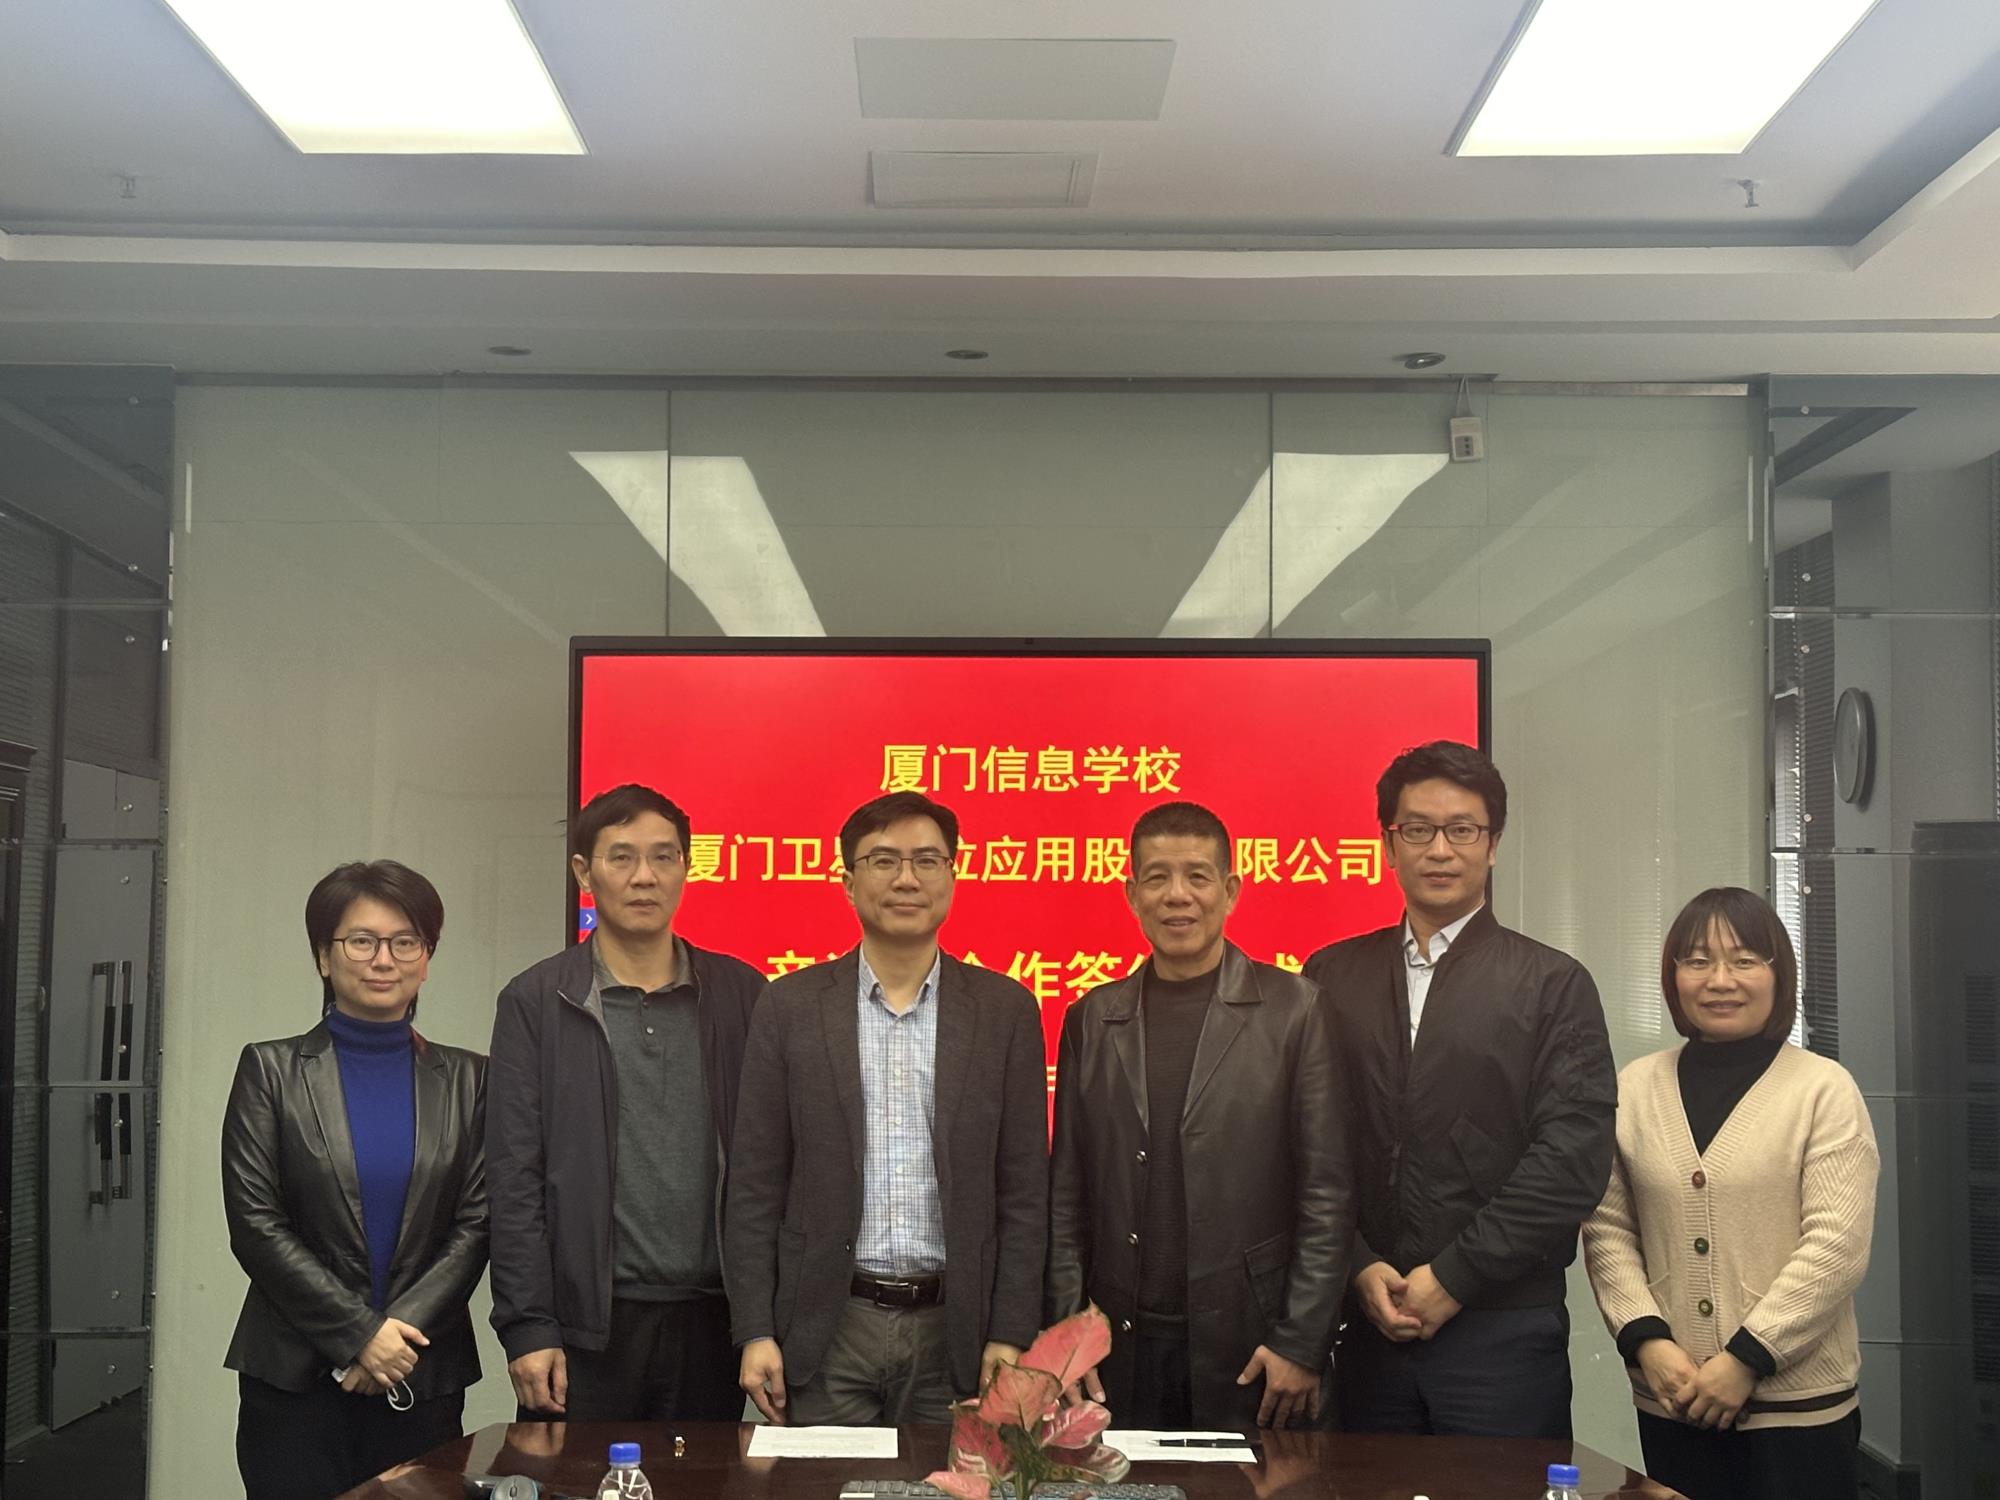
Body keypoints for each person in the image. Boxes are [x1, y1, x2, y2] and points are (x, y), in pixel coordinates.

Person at [1304, 740, 1616, 1439]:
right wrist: (1357, 1266)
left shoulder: (1552, 984)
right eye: (1418, 829)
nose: (1440, 850)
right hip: (1367, 1326)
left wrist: (1455, 1276)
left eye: (1462, 830)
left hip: (1503, 1330)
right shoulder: (1330, 976)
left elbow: (1572, 1159)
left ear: (1493, 844)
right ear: (1389, 845)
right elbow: (1308, 1147)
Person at [726, 791, 1049, 1425]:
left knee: (954, 1481)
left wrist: (1011, 1332)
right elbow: (755, 1185)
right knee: (828, 1481)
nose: (906, 879)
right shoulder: (790, 1007)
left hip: (958, 1333)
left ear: (953, 876)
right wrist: (755, 1329)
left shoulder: (1004, 1011)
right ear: (849, 883)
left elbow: (1023, 1191)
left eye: (927, 860)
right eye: (883, 861)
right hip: (828, 1328)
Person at [1046, 801, 1350, 1429]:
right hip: (1118, 1345)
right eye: (1157, 877)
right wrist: (1069, 1331)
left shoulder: (1295, 1011)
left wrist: (1301, 1340)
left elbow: (1327, 1192)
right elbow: (1067, 1195)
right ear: (1132, 894)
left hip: (1253, 1343)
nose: (1177, 895)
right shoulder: (1092, 1019)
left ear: (1230, 890)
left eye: (1197, 876)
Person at [1583, 887, 1878, 1500]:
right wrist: (1647, 1340)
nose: (1720, 980)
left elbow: (1837, 1246)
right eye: (1698, 961)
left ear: (1778, 974)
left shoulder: (1823, 1089)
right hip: (1673, 1399)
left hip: (1799, 1413)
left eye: (1744, 960)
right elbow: (1608, 1230)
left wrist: (1747, 1358)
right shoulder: (1635, 1089)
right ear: (1674, 978)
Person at [486, 783, 765, 1422]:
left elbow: (770, 1169)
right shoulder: (537, 1000)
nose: (645, 876)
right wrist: (529, 1326)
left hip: (714, 1322)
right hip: (586, 1330)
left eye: (664, 857)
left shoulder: (743, 994)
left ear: (686, 868)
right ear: (584, 872)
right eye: (622, 857)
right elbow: (514, 1177)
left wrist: (762, 1323)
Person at [223, 861, 487, 1500]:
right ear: (324, 955)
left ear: (426, 959)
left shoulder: (471, 1080)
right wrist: (359, 1335)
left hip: (419, 1372)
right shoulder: (271, 1071)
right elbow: (256, 1224)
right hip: (294, 1378)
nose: (383, 959)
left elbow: (479, 1222)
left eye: (405, 942)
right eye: (361, 941)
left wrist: (396, 1336)